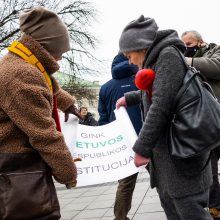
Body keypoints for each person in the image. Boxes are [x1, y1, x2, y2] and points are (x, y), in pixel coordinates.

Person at [116, 15, 213, 220]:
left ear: (141, 47)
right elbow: (161, 91)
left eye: (128, 54)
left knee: (190, 213)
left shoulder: (167, 56)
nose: (129, 60)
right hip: (170, 163)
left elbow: (161, 105)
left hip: (182, 161)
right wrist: (130, 98)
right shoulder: (157, 59)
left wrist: (142, 148)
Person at [0, 7, 81, 219]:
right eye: (60, 51)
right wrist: (68, 172)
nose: (61, 58)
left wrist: (66, 103)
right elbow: (43, 135)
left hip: (15, 165)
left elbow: (46, 84)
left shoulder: (22, 63)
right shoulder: (20, 74)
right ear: (46, 47)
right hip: (15, 168)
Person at [98, 53, 142, 220]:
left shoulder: (105, 88)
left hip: (121, 140)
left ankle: (120, 218)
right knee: (161, 178)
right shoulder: (141, 80)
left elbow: (103, 118)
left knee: (125, 184)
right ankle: (175, 211)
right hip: (146, 135)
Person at [181, 30, 220, 219]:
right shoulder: (184, 64)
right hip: (205, 123)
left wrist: (190, 62)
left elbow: (217, 66)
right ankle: (215, 207)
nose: (186, 49)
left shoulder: (215, 51)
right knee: (209, 168)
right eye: (184, 46)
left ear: (200, 42)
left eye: (189, 44)